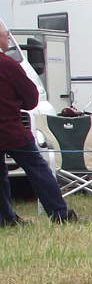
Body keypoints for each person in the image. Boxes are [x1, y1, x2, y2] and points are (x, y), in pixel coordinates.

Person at [0, 22, 77, 226]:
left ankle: (4, 218)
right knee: (39, 171)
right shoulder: (8, 65)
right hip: (10, 131)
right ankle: (59, 213)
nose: (8, 38)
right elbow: (31, 99)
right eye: (6, 34)